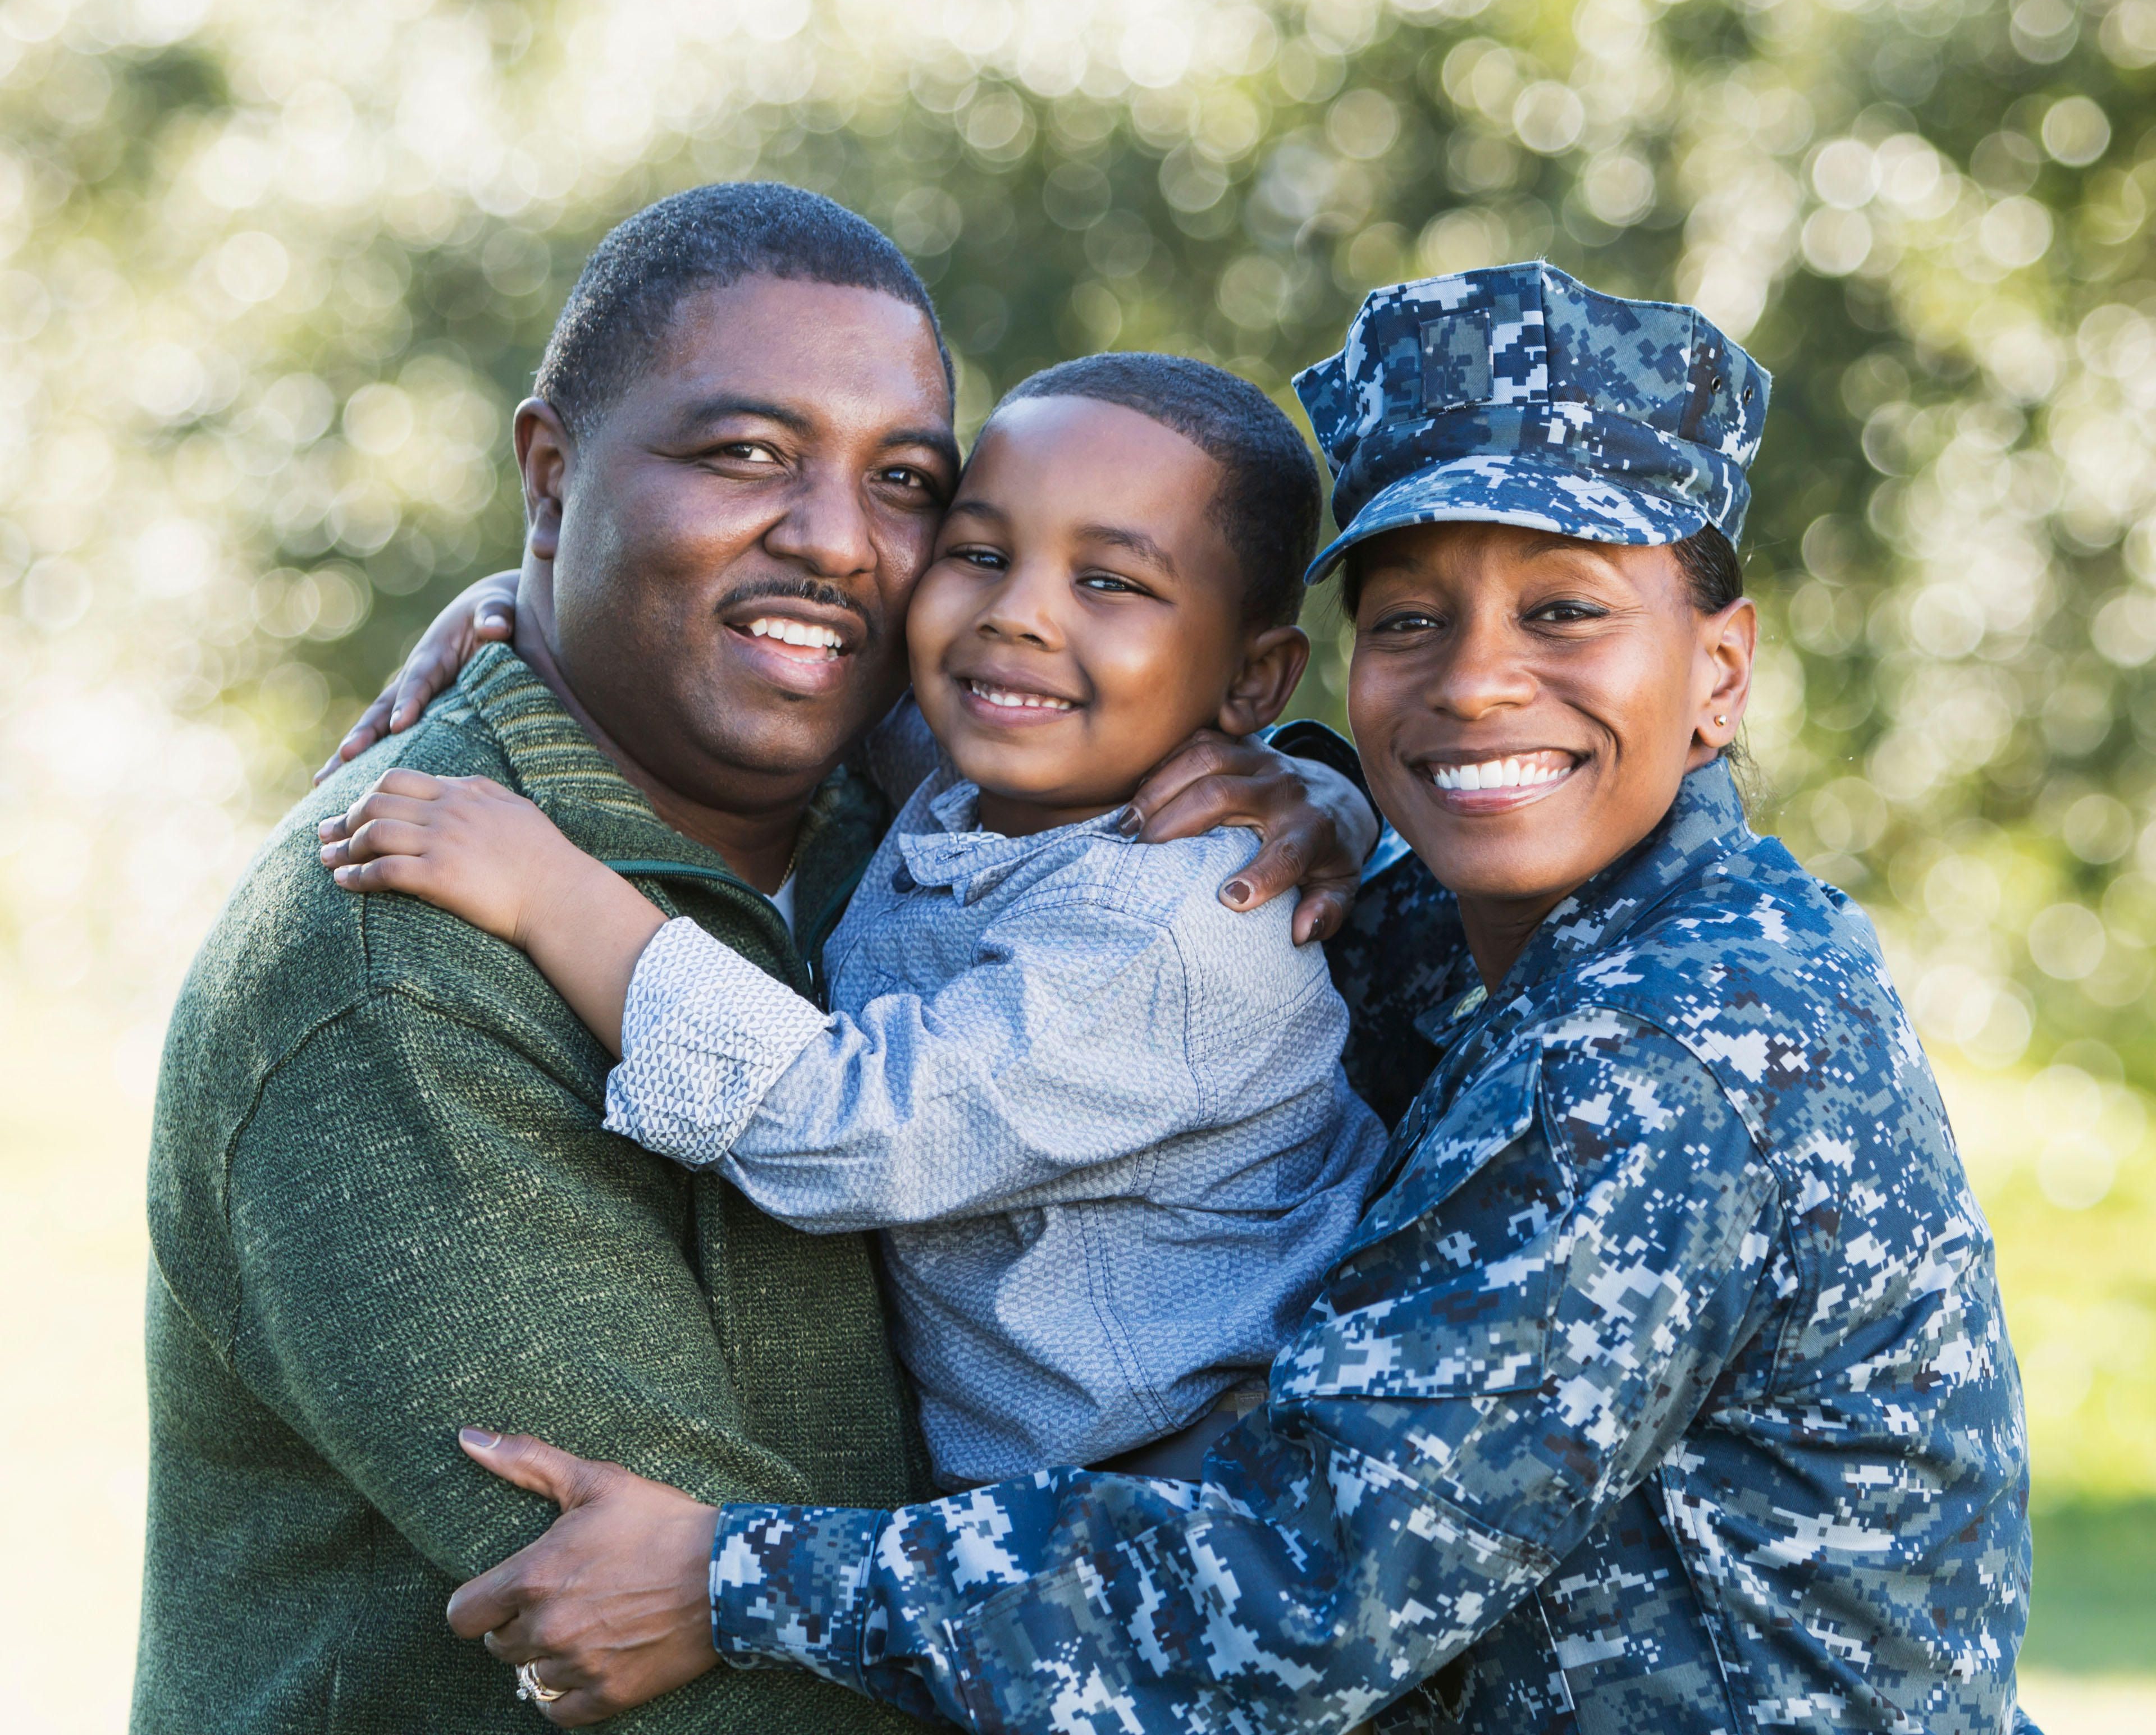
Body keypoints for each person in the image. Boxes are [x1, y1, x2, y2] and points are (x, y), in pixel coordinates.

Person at [440, 262, 2034, 1734]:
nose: (1477, 679)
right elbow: (1037, 816)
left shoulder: (1671, 1046)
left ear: (1721, 673)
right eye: (1411, 620)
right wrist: (540, 605)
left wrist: (734, 1580)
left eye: (1567, 610)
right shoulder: (1445, 915)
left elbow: (1306, 1597)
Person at [135, 183, 1377, 1735]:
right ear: (549, 477)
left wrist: (1322, 788)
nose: (837, 545)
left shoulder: (903, 799)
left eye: (905, 482)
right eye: (744, 456)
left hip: (1200, 1539)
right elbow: (696, 1678)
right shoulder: (398, 962)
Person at [316, 352, 1387, 1491]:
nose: (1016, 615)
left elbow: (847, 1126)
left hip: (1184, 1495)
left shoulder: (1180, 928)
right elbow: (805, 670)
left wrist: (551, 892)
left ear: (1257, 682)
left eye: (1111, 583)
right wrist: (524, 591)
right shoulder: (981, 771)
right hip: (1042, 1491)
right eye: (979, 554)